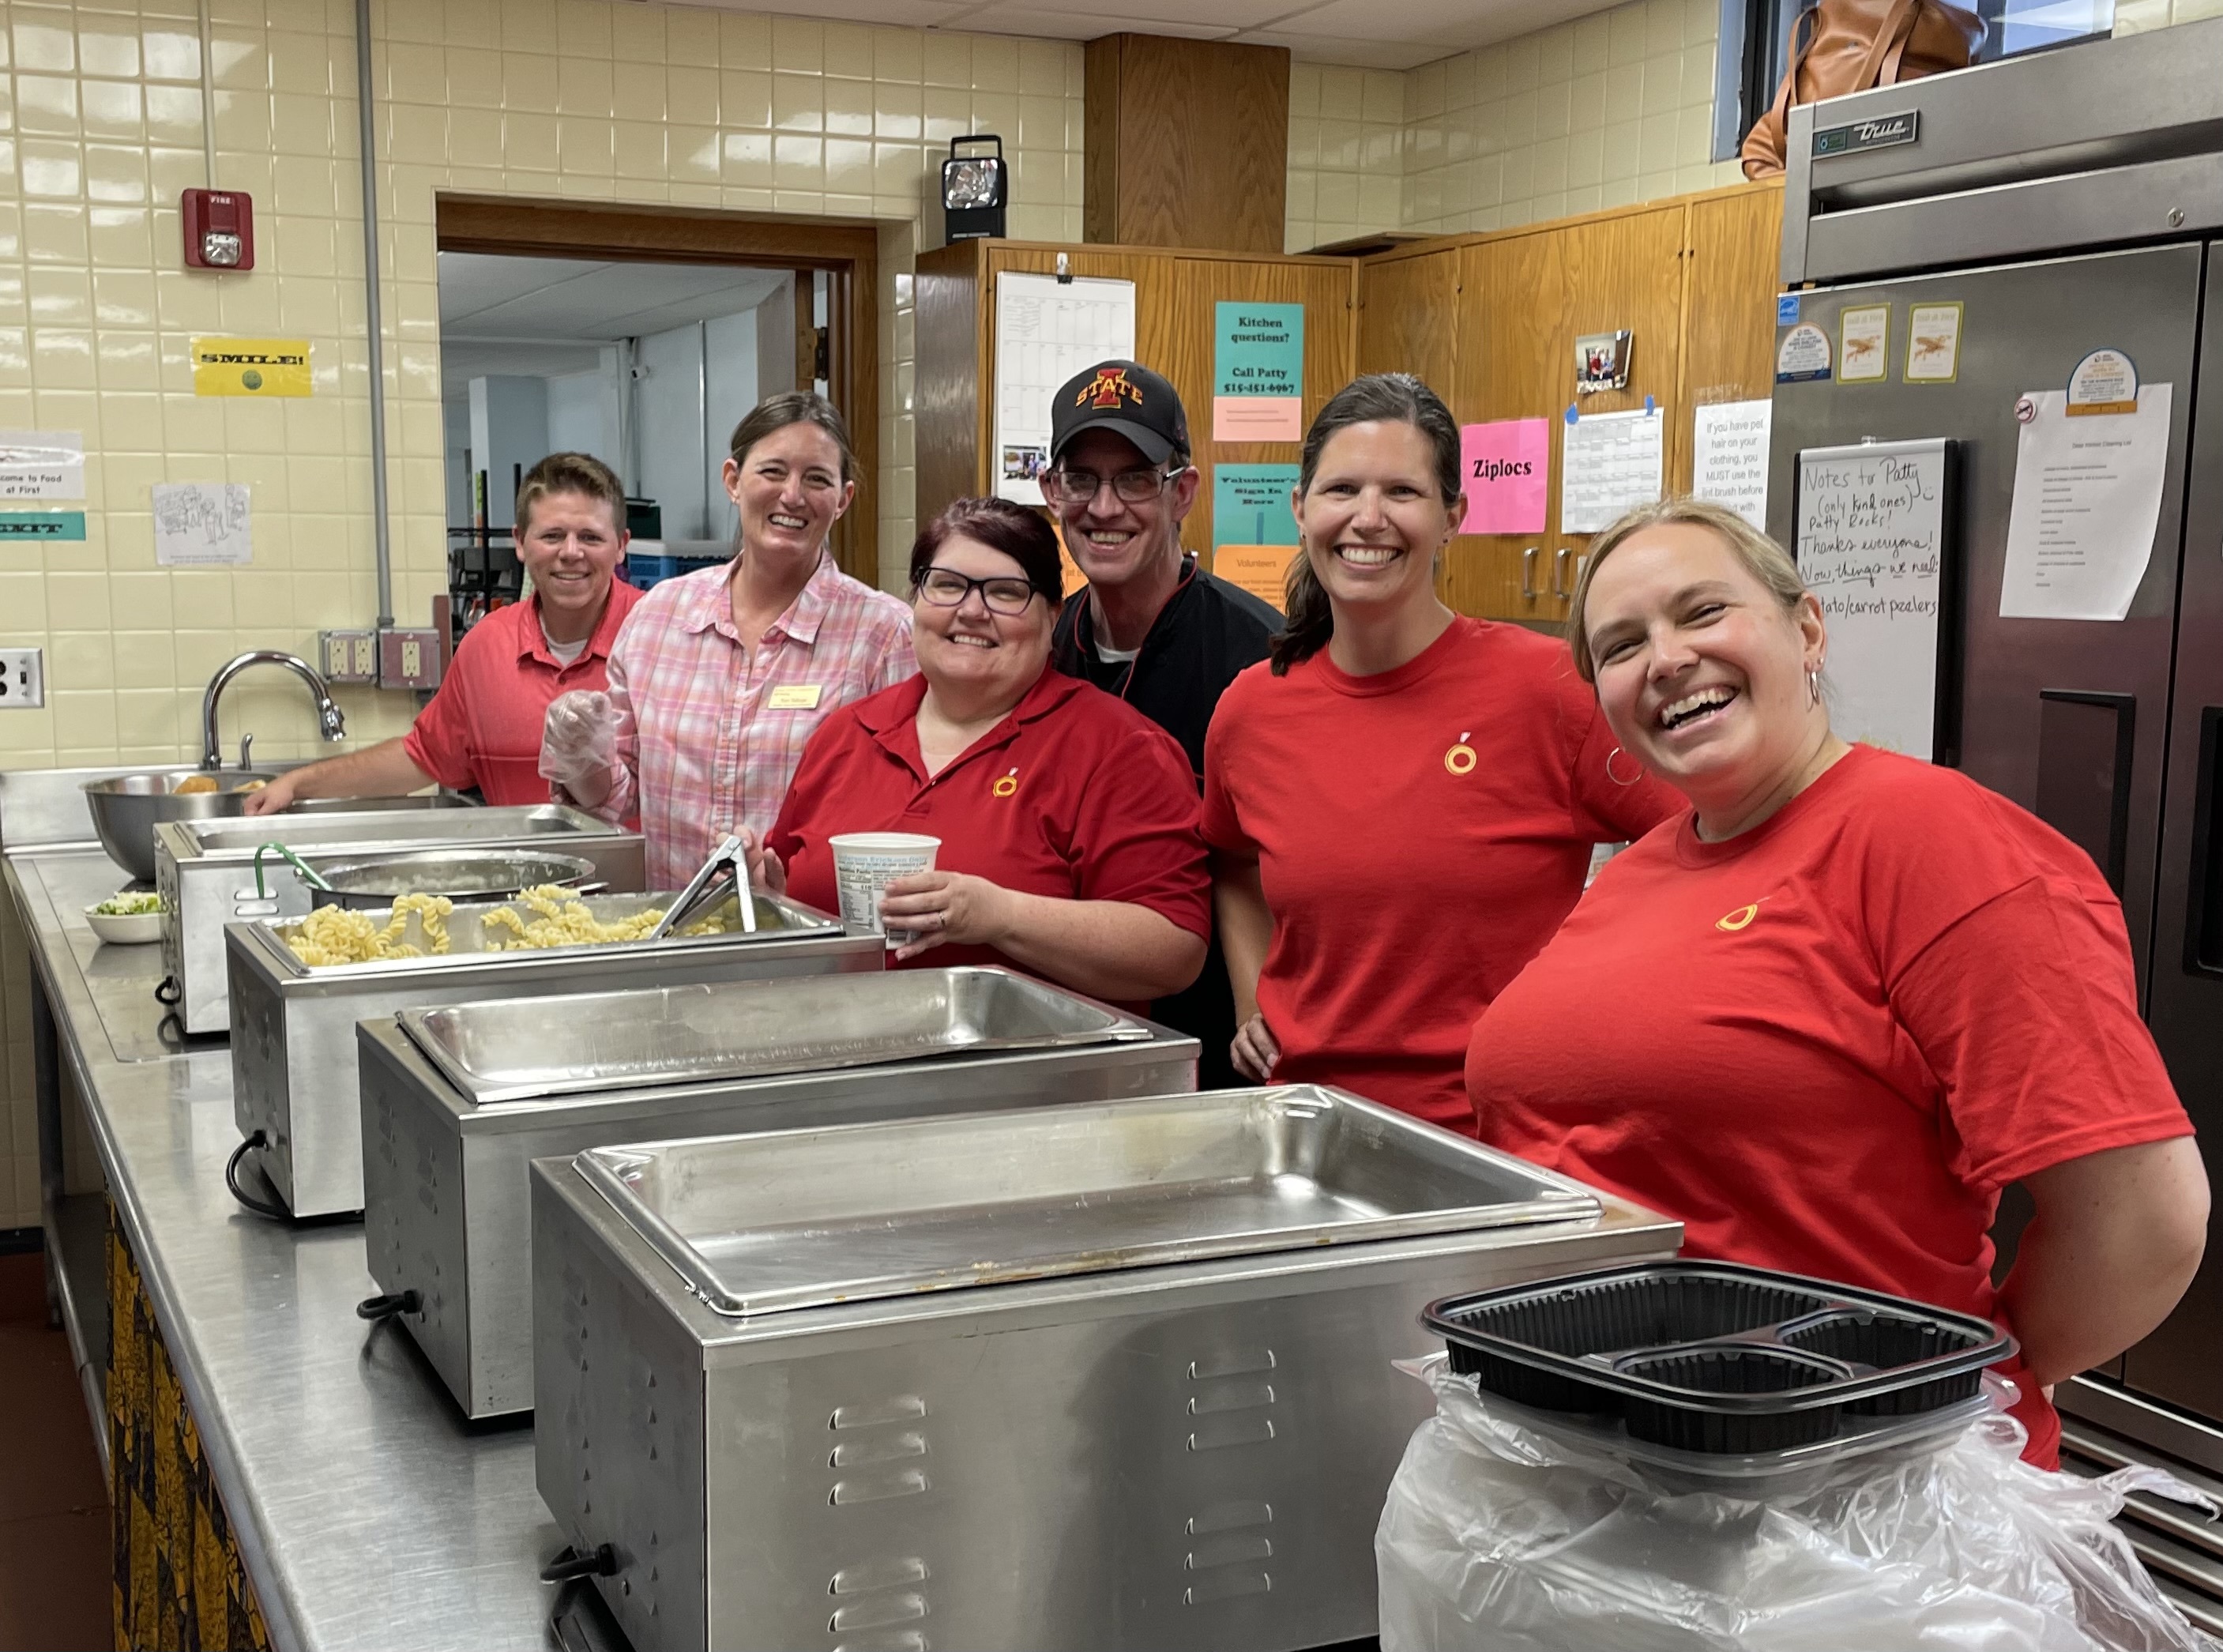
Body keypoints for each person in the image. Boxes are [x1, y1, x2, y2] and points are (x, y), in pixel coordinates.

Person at [1466, 497, 2207, 1468]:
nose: (1667, 659)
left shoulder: (1931, 841)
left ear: (1805, 628)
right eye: (1620, 645)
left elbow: (2145, 1221)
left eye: (1701, 613)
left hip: (1847, 1486)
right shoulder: (1645, 865)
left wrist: (1941, 1391)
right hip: (1619, 1457)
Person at [1203, 374, 1678, 1131]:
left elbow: (1703, 845)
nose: (1368, 518)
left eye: (1402, 491)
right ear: (1300, 509)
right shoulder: (1252, 711)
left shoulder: (1551, 688)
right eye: (1341, 490)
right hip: (1305, 1125)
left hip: (1500, 1132)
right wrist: (1252, 995)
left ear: (1453, 515)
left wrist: (1602, 1006)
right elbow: (1232, 864)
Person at [758, 497, 1209, 1007]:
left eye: (1006, 592)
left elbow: (1173, 949)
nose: (971, 611)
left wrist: (997, 916)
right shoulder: (846, 735)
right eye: (947, 585)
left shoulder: (1118, 750)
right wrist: (765, 895)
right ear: (915, 599)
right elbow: (795, 889)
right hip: (843, 1055)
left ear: (1053, 615)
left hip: (1034, 1074)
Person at [539, 393, 915, 890]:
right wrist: (581, 756)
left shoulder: (884, 635)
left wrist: (801, 881)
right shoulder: (659, 617)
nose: (793, 496)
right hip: (672, 937)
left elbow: (904, 818)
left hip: (810, 940)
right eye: (773, 472)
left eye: (817, 479)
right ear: (734, 481)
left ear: (843, 499)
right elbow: (620, 797)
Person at [1041, 359, 1282, 1081]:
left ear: (1183, 492)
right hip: (1076, 1031)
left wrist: (1262, 1007)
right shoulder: (1047, 648)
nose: (1104, 507)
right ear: (1053, 493)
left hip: (1225, 1036)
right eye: (1082, 479)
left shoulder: (1261, 657)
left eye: (1135, 480)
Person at [245, 452, 642, 814]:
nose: (571, 552)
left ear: (621, 545)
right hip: (532, 886)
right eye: (552, 535)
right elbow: (421, 758)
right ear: (520, 542)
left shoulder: (660, 637)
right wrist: (299, 784)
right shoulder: (488, 646)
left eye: (590, 537)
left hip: (657, 891)